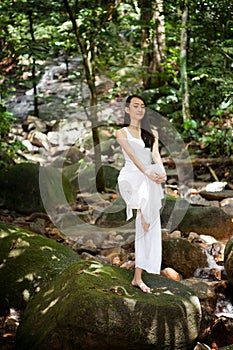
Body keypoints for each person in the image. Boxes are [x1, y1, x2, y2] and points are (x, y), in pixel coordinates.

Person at [116, 95, 166, 293]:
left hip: (149, 177)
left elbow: (155, 156)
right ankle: (143, 212)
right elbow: (133, 157)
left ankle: (138, 276)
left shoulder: (150, 132)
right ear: (127, 110)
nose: (140, 109)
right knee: (144, 220)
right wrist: (147, 173)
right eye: (135, 106)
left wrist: (160, 173)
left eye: (143, 106)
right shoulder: (121, 132)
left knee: (148, 227)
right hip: (133, 176)